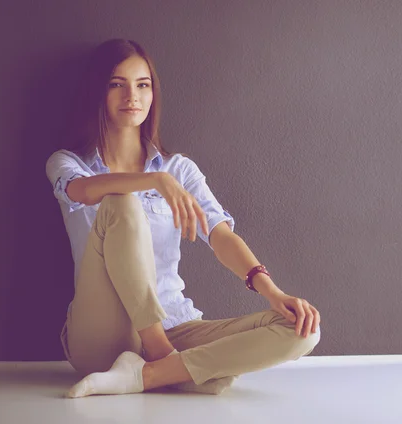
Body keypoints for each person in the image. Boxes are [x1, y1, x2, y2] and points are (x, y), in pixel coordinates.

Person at [45, 39, 321, 398]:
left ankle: (145, 375)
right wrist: (154, 181)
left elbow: (221, 236)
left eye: (143, 85)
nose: (133, 95)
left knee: (300, 329)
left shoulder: (180, 170)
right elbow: (82, 191)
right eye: (117, 84)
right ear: (98, 91)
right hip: (101, 334)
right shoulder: (66, 163)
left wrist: (272, 291)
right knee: (122, 204)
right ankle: (168, 362)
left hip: (175, 323)